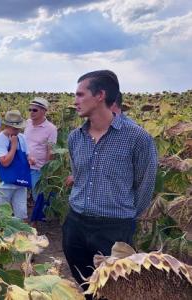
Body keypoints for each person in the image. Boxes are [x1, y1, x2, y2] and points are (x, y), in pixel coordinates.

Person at [63, 70, 157, 293]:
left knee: (113, 289)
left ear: (100, 96)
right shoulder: (75, 137)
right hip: (75, 223)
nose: (75, 101)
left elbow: (145, 185)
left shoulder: (137, 138)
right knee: (86, 285)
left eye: (80, 94)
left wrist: (125, 218)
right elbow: (78, 176)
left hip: (113, 228)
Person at [0, 110, 32, 221]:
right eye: (14, 128)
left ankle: (21, 237)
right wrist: (14, 146)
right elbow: (5, 162)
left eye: (19, 128)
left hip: (20, 182)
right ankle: (5, 237)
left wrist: (30, 159)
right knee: (4, 216)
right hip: (3, 184)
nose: (17, 131)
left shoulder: (22, 138)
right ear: (6, 126)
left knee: (22, 214)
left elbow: (27, 155)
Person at [24, 97, 57, 222]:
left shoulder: (51, 129)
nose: (31, 112)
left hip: (38, 168)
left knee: (38, 196)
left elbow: (50, 150)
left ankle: (36, 221)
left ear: (44, 111)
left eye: (35, 110)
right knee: (21, 193)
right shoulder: (27, 123)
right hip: (24, 165)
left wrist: (47, 171)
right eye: (30, 110)